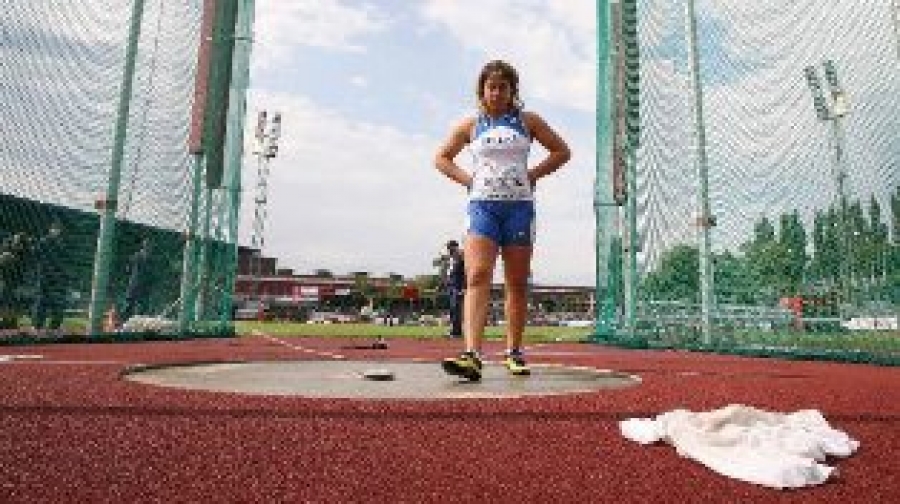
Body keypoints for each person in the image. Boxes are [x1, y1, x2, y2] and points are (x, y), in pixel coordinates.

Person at [434, 60, 571, 381]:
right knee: (477, 275)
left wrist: (533, 174)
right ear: (482, 91)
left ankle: (514, 351)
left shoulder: (528, 121)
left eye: (503, 87)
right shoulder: (471, 125)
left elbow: (561, 151)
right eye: (491, 87)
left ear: (512, 91)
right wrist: (468, 180)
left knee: (516, 282)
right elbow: (441, 158)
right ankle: (472, 354)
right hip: (483, 208)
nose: (496, 93)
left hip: (518, 208)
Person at [31, 222, 68, 334]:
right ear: (51, 230)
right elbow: (35, 254)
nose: (57, 231)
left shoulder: (60, 243)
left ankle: (54, 326)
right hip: (45, 275)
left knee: (57, 300)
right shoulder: (44, 241)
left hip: (56, 276)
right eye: (55, 229)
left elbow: (63, 260)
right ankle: (37, 326)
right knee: (41, 300)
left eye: (58, 229)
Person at [121, 237, 152, 323]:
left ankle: (137, 322)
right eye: (147, 245)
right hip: (135, 284)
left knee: (141, 306)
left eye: (149, 246)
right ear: (144, 246)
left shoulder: (148, 258)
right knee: (129, 304)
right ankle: (124, 321)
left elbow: (128, 269)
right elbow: (128, 269)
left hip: (142, 286)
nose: (148, 248)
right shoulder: (137, 256)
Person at [444, 239, 465, 338]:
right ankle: (454, 330)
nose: (448, 249)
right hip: (451, 287)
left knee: (456, 309)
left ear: (455, 247)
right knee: (452, 309)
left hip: (458, 287)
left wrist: (463, 287)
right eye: (448, 248)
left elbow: (465, 273)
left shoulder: (461, 258)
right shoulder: (452, 259)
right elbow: (451, 274)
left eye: (450, 247)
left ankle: (457, 332)